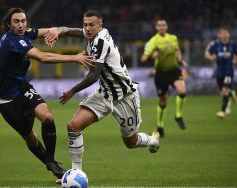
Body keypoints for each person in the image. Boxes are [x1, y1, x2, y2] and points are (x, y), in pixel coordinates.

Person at [45, 10, 160, 172]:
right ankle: (75, 173)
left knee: (131, 143)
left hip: (124, 96)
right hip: (105, 94)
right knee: (73, 126)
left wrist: (72, 91)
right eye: (85, 24)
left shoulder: (101, 41)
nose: (88, 28)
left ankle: (153, 140)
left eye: (92, 25)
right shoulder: (92, 34)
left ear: (101, 25)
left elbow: (93, 76)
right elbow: (72, 30)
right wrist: (58, 30)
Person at [0, 8, 93, 181]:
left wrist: (57, 30)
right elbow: (42, 57)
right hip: (5, 98)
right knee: (30, 137)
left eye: (23, 21)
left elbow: (44, 31)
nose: (21, 25)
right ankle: (48, 161)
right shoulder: (12, 41)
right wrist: (74, 57)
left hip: (21, 87)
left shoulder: (24, 33)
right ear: (9, 24)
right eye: (17, 21)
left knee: (47, 117)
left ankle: (51, 162)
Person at [141, 18, 187, 137]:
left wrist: (180, 60)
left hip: (174, 70)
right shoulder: (153, 41)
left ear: (166, 27)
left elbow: (177, 50)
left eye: (163, 25)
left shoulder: (173, 38)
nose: (161, 27)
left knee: (182, 91)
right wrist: (152, 55)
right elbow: (143, 58)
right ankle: (160, 126)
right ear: (156, 28)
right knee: (163, 101)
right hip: (161, 74)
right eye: (159, 25)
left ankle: (178, 116)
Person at [204, 26, 237, 119]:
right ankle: (232, 93)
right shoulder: (215, 45)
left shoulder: (233, 45)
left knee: (225, 90)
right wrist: (210, 57)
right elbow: (207, 53)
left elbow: (236, 55)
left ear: (229, 34)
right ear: (219, 35)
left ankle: (223, 111)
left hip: (229, 72)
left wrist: (235, 60)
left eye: (226, 33)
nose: (224, 35)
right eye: (222, 33)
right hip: (219, 72)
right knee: (223, 91)